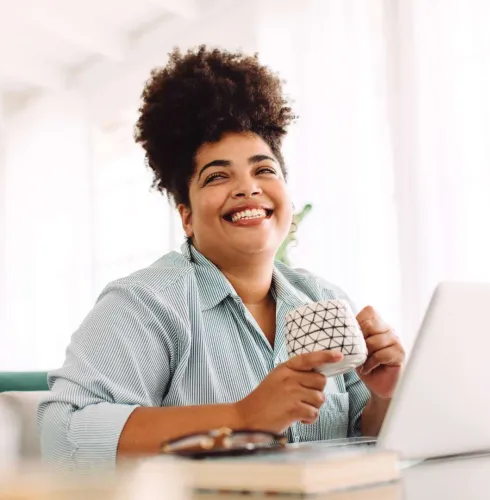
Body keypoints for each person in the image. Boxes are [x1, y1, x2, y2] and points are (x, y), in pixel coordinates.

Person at [37, 46, 405, 470]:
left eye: (264, 170)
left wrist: (384, 395)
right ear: (187, 216)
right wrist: (240, 418)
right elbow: (63, 436)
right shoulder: (144, 304)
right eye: (217, 175)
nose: (248, 188)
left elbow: (365, 438)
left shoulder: (324, 298)